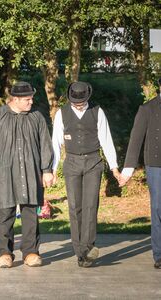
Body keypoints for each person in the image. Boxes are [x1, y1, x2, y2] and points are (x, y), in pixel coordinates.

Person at [0, 81, 54, 268]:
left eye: (31, 98)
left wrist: (47, 170)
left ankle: (31, 252)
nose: (31, 102)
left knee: (30, 213)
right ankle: (5, 253)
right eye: (27, 99)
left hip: (31, 172)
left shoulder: (37, 117)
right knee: (5, 214)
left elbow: (45, 145)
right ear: (15, 99)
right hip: (4, 172)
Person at [51, 81, 120, 268]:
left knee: (90, 206)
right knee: (75, 207)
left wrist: (114, 167)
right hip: (71, 162)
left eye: (80, 102)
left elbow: (107, 140)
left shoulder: (98, 112)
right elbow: (55, 143)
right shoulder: (62, 113)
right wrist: (52, 170)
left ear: (87, 98)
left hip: (93, 162)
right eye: (74, 102)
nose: (78, 104)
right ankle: (79, 250)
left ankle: (87, 248)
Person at [120, 78, 161, 269]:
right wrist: (128, 169)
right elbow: (136, 140)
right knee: (158, 209)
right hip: (156, 166)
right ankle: (159, 254)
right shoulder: (147, 109)